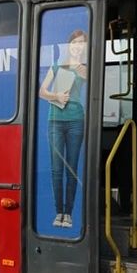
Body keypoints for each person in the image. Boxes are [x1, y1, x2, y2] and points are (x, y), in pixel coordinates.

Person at [38, 29, 88, 228]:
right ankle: (58, 211)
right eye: (75, 42)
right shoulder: (57, 65)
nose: (78, 46)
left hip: (76, 120)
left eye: (82, 43)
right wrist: (56, 96)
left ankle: (69, 213)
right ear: (70, 45)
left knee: (72, 169)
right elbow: (42, 91)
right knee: (56, 170)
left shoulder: (85, 69)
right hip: (56, 120)